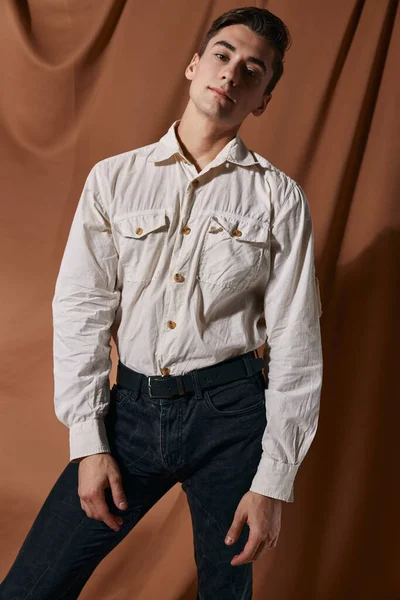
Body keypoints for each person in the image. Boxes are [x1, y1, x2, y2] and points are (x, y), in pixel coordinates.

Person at [0, 6, 323, 600]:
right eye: (223, 56)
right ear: (194, 64)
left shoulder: (280, 199)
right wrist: (90, 442)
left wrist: (273, 481)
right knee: (31, 588)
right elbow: (81, 311)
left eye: (253, 70)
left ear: (263, 100)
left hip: (233, 420)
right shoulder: (112, 181)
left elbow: (297, 342)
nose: (231, 73)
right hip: (130, 413)